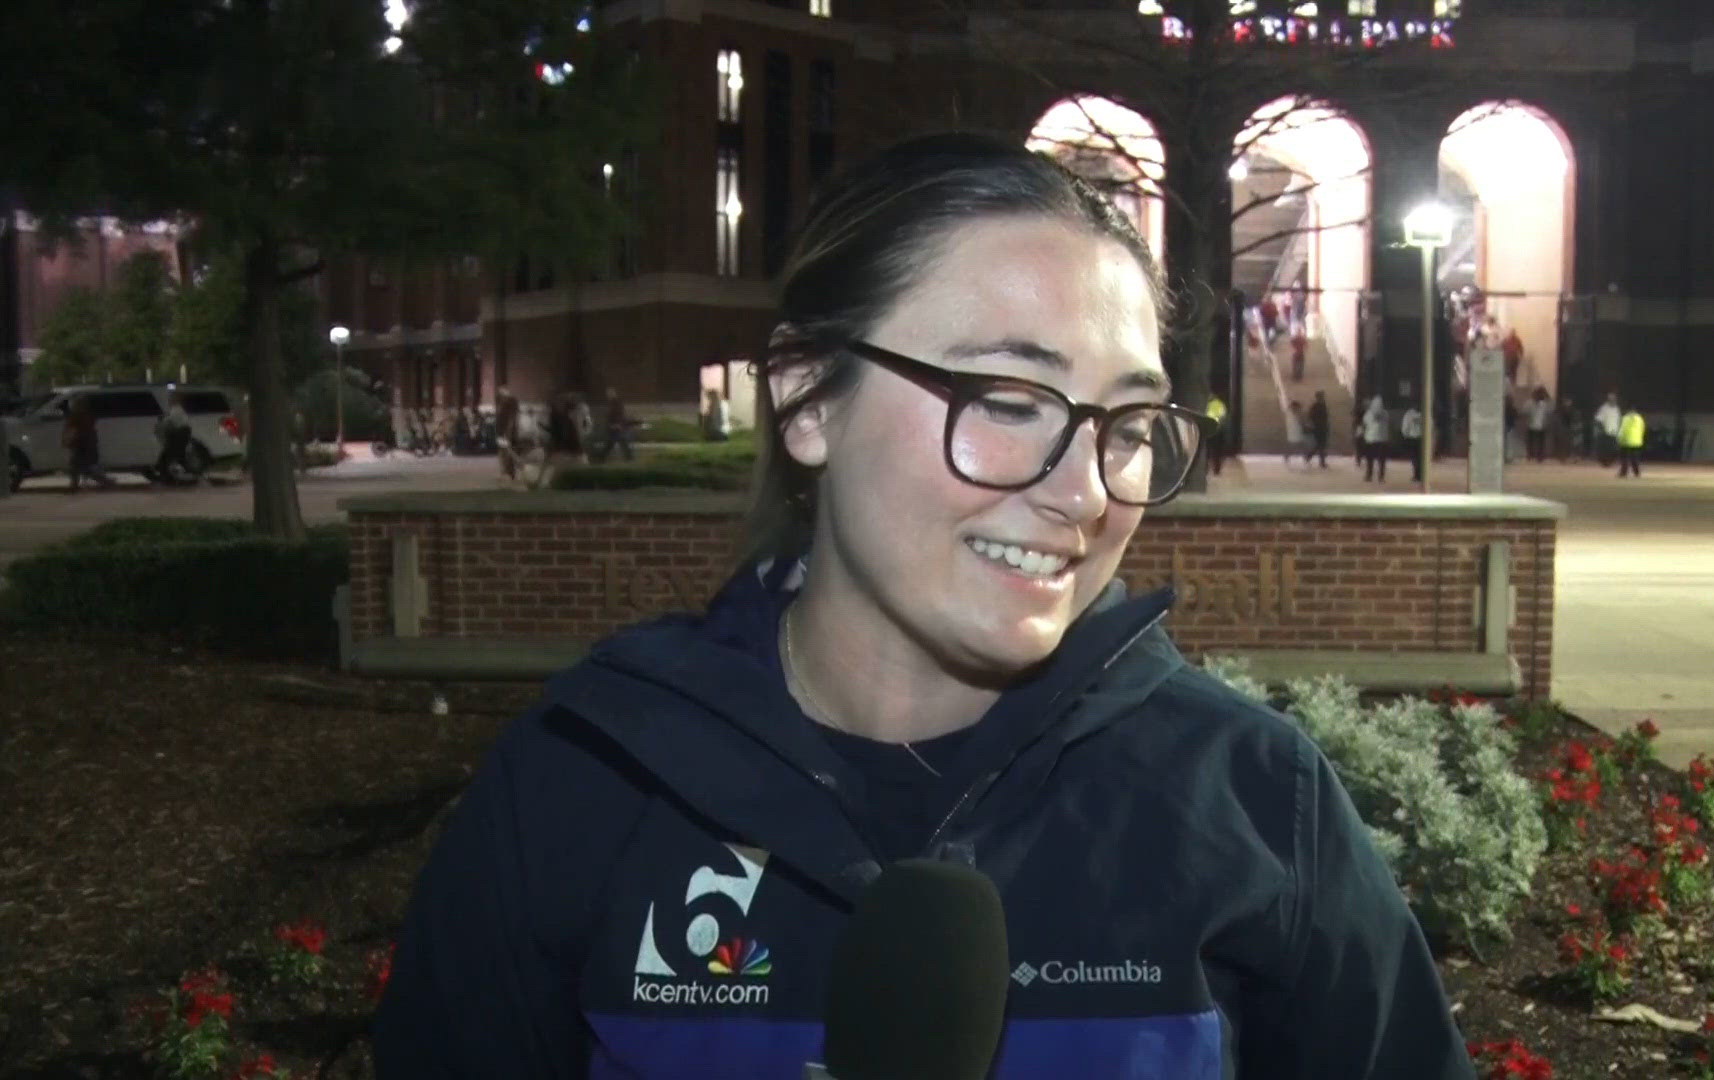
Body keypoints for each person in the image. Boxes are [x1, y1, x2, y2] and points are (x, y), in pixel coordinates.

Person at [373, 132, 1472, 1079]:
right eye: (1007, 399)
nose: (1086, 492)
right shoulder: (583, 781)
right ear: (808, 399)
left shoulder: (1253, 802)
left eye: (1130, 427)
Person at [533, 391, 588, 488]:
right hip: (567, 445)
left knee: (554, 463)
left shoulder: (559, 416)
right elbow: (557, 430)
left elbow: (558, 431)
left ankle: (543, 482)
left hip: (566, 445)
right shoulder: (561, 415)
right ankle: (543, 482)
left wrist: (544, 427)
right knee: (554, 463)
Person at [62, 395, 115, 491]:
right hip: (88, 442)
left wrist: (67, 441)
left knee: (77, 466)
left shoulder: (76, 416)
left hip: (80, 443)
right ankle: (105, 481)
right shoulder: (89, 415)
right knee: (87, 465)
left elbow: (72, 429)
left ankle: (75, 485)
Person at [153, 390, 196, 484]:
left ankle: (169, 475)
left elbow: (170, 422)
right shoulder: (176, 410)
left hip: (179, 434)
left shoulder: (176, 410)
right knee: (176, 455)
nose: (169, 400)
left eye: (171, 398)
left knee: (173, 455)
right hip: (180, 434)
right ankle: (170, 474)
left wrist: (162, 421)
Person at [495, 390, 524, 486]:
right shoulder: (510, 409)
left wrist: (506, 434)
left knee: (507, 453)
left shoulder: (506, 408)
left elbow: (509, 423)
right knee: (507, 452)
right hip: (505, 433)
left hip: (505, 433)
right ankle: (509, 473)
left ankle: (508, 473)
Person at [600, 387, 635, 462]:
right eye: (608, 393)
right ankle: (629, 457)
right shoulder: (612, 403)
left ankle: (601, 457)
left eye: (610, 393)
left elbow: (618, 414)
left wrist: (616, 424)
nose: (608, 395)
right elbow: (612, 415)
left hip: (616, 425)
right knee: (616, 442)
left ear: (614, 394)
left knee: (615, 442)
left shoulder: (616, 403)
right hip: (615, 426)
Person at [1361, 393, 1391, 483]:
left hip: (1370, 439)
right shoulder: (1385, 414)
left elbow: (1365, 424)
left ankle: (1369, 475)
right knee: (1381, 460)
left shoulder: (1369, 413)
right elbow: (1387, 424)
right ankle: (1381, 477)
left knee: (1370, 459)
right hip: (1382, 439)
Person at [1617, 401, 1646, 478]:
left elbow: (1623, 429)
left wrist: (1619, 439)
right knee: (1635, 458)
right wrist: (1640, 438)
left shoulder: (1626, 418)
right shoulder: (1640, 419)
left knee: (1624, 458)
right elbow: (1642, 429)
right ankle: (1636, 472)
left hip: (1626, 441)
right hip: (1636, 441)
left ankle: (1623, 472)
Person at [1594, 392, 1622, 468]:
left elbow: (1619, 420)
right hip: (1606, 432)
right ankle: (1605, 462)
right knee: (1606, 449)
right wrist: (1602, 429)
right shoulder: (1604, 408)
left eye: (1614, 399)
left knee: (1614, 449)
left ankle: (1610, 462)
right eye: (1611, 399)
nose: (1613, 400)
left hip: (1614, 432)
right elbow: (1598, 420)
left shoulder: (1617, 408)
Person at [1525, 388, 1552, 463]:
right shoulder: (1529, 403)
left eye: (1540, 394)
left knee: (1541, 442)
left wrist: (1548, 397)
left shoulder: (1545, 404)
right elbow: (1524, 411)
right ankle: (1530, 455)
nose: (1539, 396)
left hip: (1542, 425)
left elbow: (1551, 409)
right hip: (1531, 424)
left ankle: (1540, 456)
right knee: (1530, 441)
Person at [1306, 389, 1331, 468]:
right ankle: (1321, 462)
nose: (1323, 397)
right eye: (1322, 396)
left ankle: (1309, 456)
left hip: (1322, 427)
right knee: (1321, 445)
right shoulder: (1316, 406)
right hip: (1318, 427)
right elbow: (1311, 416)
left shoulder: (1321, 405)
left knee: (1320, 445)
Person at [1401, 401, 1425, 482]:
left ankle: (1417, 475)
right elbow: (1430, 424)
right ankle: (1420, 475)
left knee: (1415, 458)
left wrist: (1405, 434)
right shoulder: (1424, 413)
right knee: (1420, 457)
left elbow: (1405, 425)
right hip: (1421, 438)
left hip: (1413, 437)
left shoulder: (1409, 414)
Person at [1206, 393, 1229, 476]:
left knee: (1208, 451)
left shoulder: (1207, 404)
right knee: (1216, 451)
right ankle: (1216, 469)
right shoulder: (1220, 404)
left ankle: (1208, 469)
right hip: (1217, 429)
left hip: (1210, 429)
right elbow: (1223, 415)